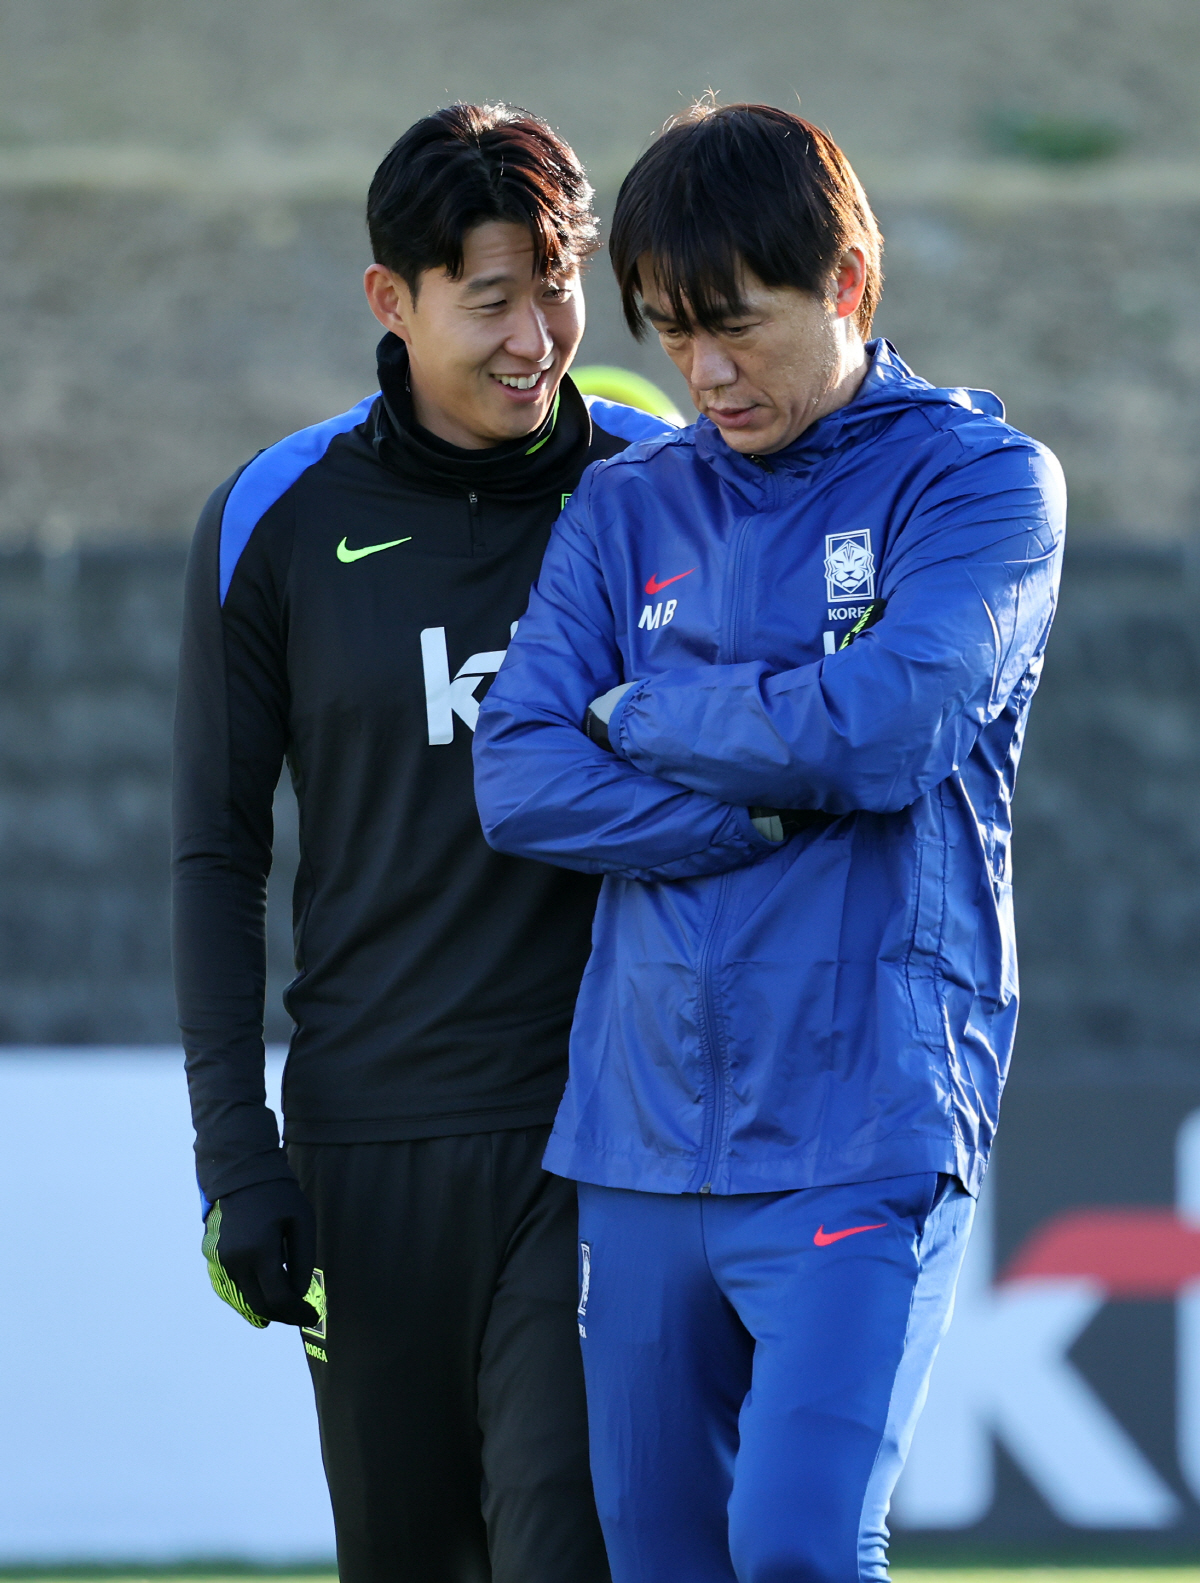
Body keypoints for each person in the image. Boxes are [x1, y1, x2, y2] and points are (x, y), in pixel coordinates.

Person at [473, 101, 1066, 1583]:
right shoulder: (621, 507)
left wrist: (654, 709)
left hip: (867, 1117)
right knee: (662, 1562)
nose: (704, 373)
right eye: (674, 332)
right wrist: (755, 795)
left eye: (736, 326)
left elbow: (886, 732)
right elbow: (523, 778)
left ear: (848, 288)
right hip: (640, 1128)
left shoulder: (981, 484)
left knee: (801, 1548)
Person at [172, 102, 673, 1583]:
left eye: (561, 288)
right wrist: (234, 1156)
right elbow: (215, 854)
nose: (539, 337)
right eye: (495, 298)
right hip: (363, 1153)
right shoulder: (271, 518)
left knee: (564, 1546)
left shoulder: (662, 488)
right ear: (392, 301)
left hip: (605, 1139)